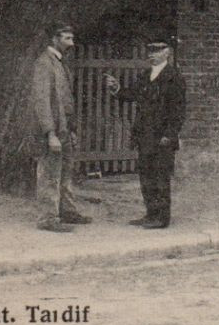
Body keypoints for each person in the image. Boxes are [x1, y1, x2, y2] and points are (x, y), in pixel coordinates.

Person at [105, 40, 187, 228]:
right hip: (145, 135)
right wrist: (116, 89)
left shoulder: (174, 77)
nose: (152, 55)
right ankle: (151, 214)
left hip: (162, 137)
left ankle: (162, 218)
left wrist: (170, 134)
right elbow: (131, 94)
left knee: (160, 176)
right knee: (146, 176)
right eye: (150, 51)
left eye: (157, 51)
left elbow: (178, 110)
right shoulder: (145, 75)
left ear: (167, 53)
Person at [28, 21, 90, 233]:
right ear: (55, 39)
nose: (71, 43)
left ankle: (67, 212)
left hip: (64, 129)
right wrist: (50, 133)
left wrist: (70, 129)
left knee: (65, 173)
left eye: (72, 38)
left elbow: (66, 101)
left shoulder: (60, 62)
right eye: (67, 38)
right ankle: (48, 218)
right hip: (52, 131)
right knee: (49, 174)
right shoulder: (44, 63)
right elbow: (42, 100)